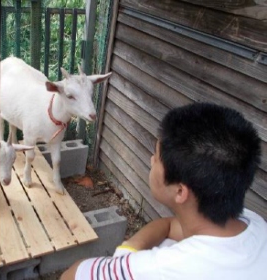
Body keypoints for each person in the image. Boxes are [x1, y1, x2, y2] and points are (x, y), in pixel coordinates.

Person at [61, 102, 267, 280]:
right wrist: (130, 247)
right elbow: (169, 226)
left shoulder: (158, 269)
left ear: (180, 191)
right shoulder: (253, 224)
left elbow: (71, 275)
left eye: (157, 157)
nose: (152, 160)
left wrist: (125, 262)